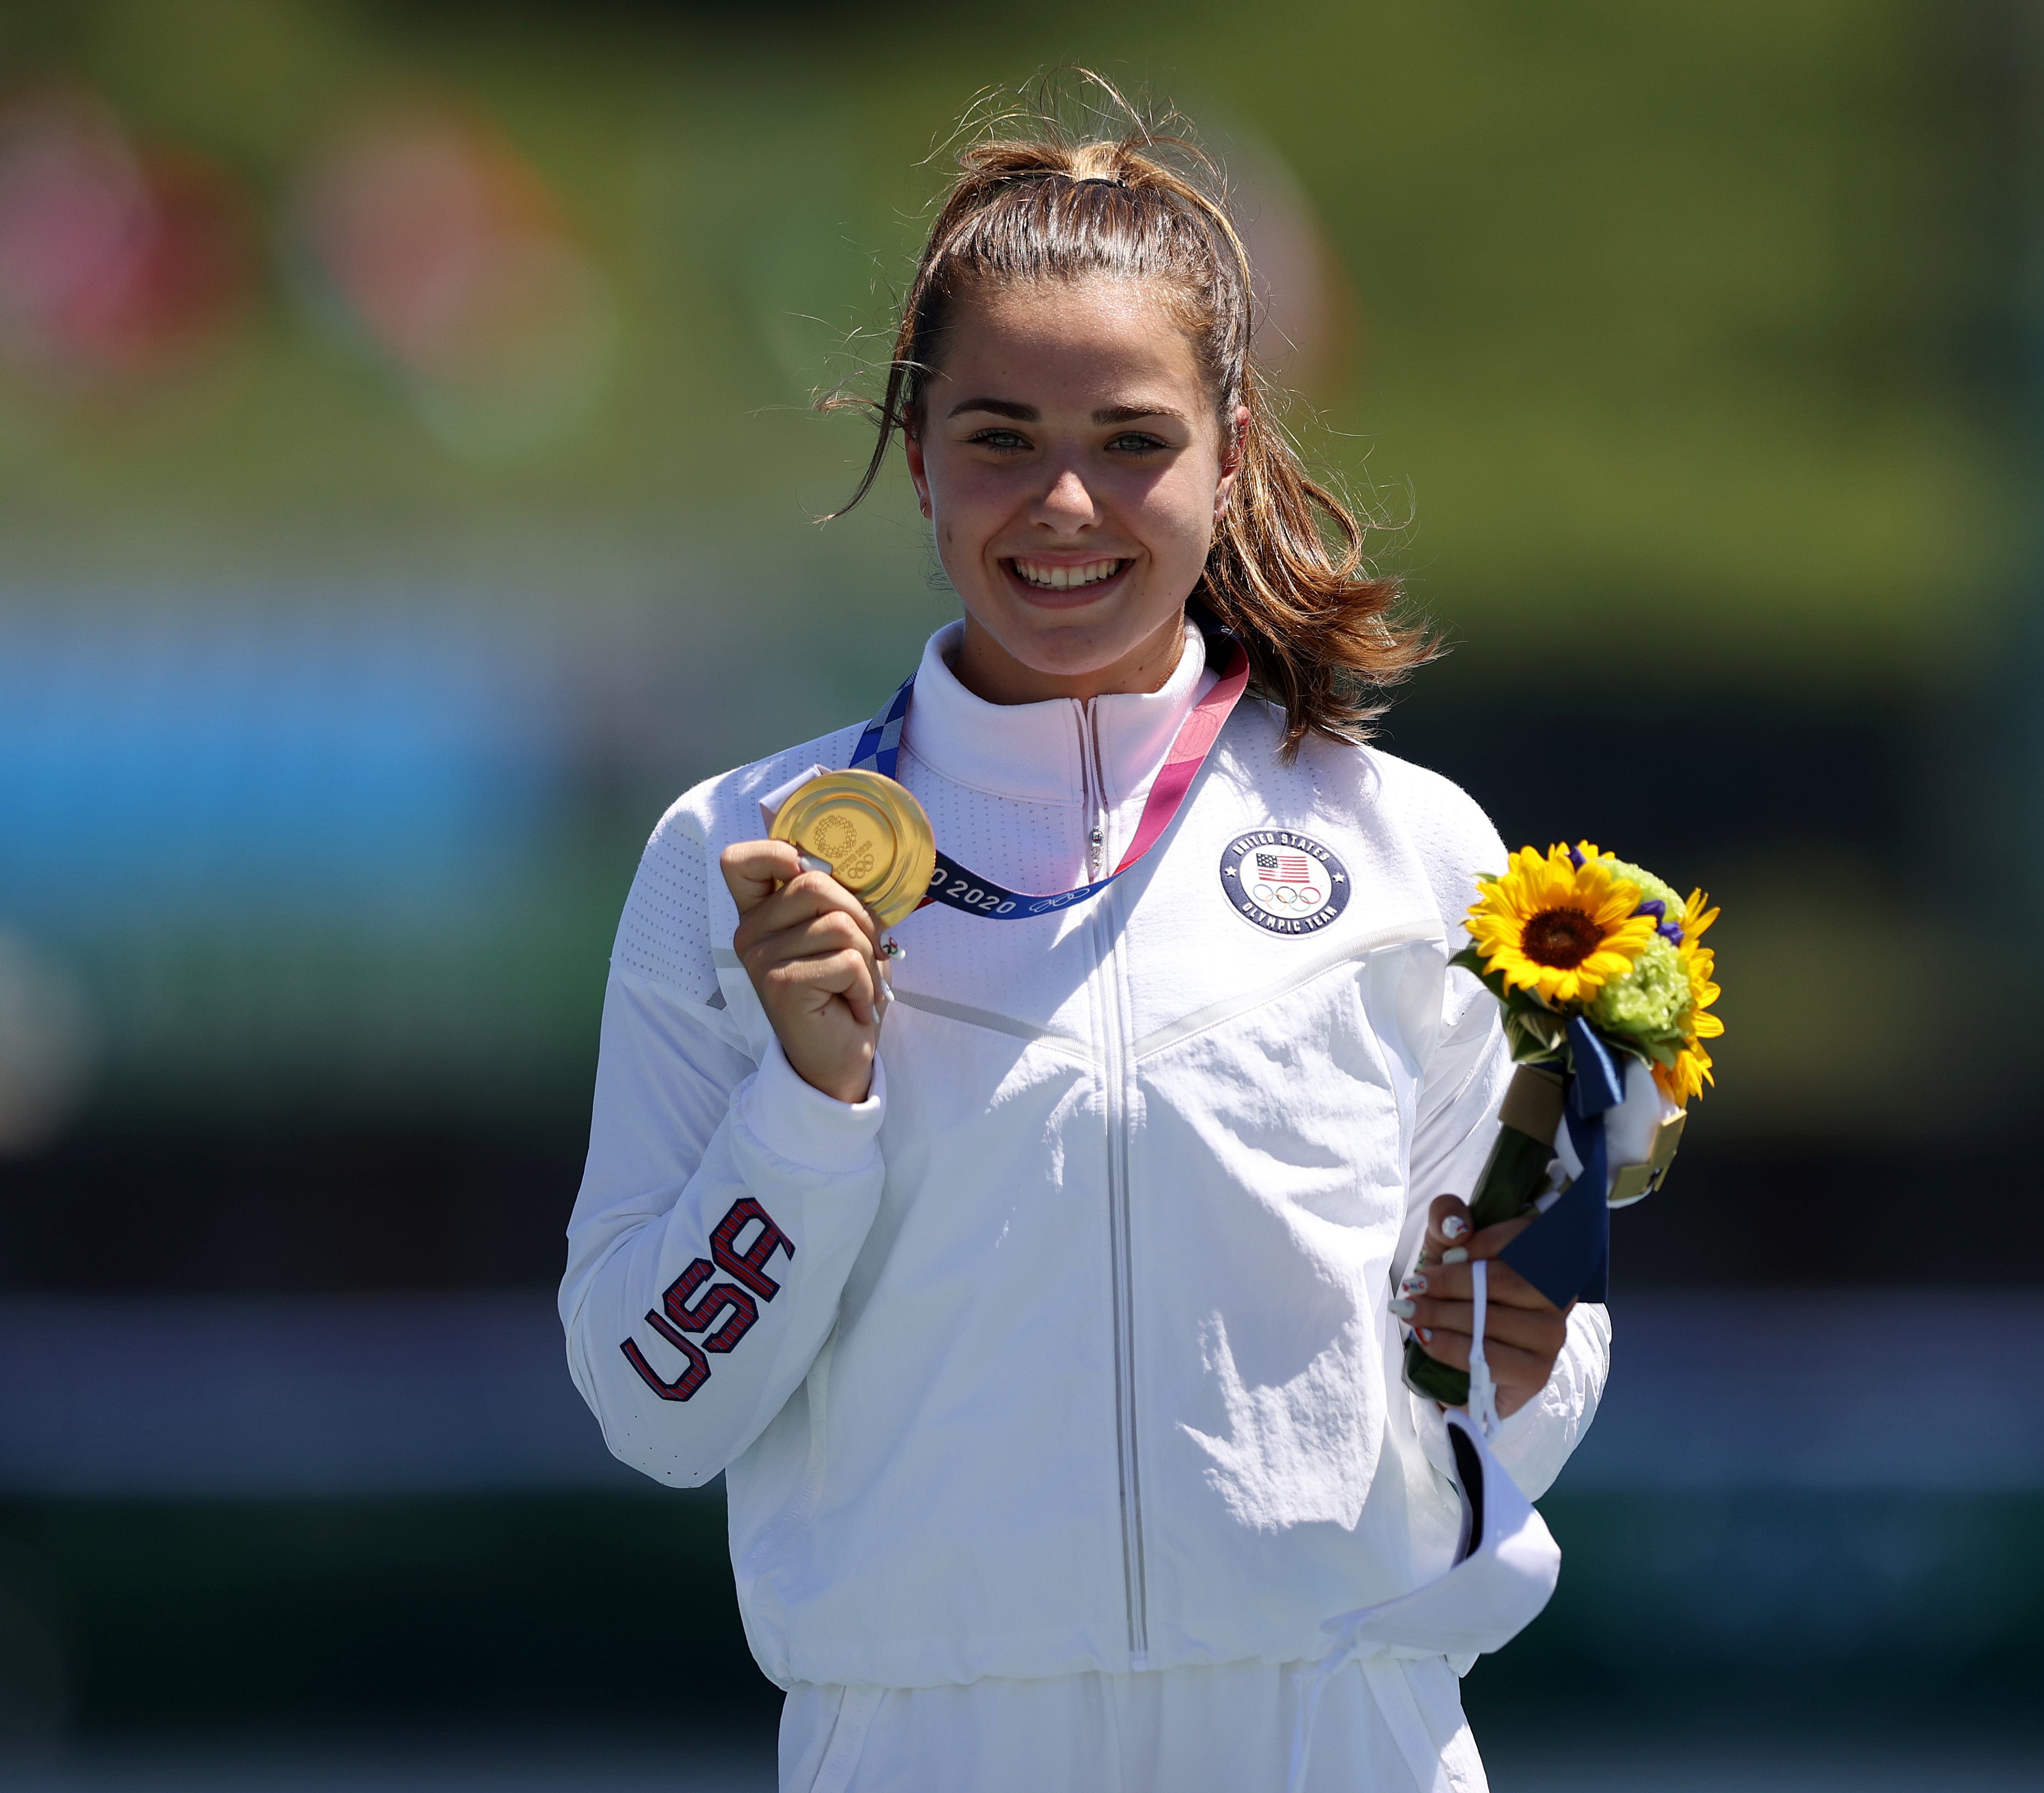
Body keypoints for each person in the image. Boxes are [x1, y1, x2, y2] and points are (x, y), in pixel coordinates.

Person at [560, 89, 1610, 1792]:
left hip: (1336, 1730)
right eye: (997, 437)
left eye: (1128, 439)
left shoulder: (1407, 849)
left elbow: (1529, 1355)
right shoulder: (734, 858)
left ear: (1229, 449)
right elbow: (651, 1397)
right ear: (916, 456)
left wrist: (1521, 1350)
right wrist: (809, 1113)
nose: (1062, 503)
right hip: (922, 1742)